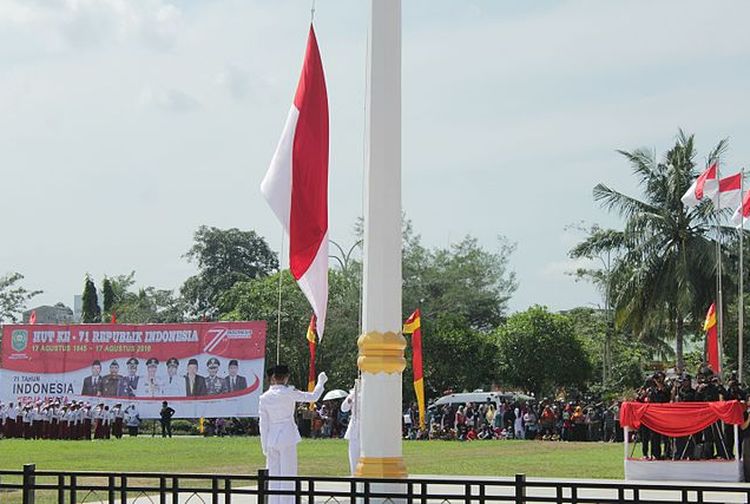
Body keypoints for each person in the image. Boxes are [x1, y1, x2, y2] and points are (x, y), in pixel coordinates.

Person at [259, 365, 327, 504]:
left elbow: (263, 424)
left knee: (274, 477)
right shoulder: (289, 392)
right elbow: (313, 396)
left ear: (273, 378)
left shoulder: (264, 397)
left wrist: (264, 445)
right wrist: (321, 382)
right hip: (287, 436)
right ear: (286, 378)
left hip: (272, 438)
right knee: (288, 475)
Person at [340, 383, 360, 475]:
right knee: (354, 454)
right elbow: (344, 408)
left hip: (367, 427)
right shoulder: (353, 393)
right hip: (355, 427)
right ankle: (354, 475)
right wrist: (351, 397)